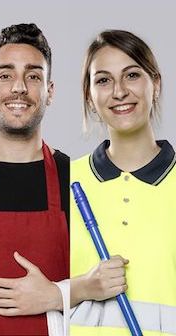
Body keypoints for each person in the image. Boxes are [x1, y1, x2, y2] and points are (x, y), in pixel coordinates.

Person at [0, 23, 70, 335]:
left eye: (34, 76)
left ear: (49, 92)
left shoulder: (76, 178)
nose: (19, 87)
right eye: (5, 75)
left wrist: (58, 294)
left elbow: (103, 282)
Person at [68, 30, 175, 335]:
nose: (119, 91)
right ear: (89, 96)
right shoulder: (62, 181)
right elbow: (39, 293)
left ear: (155, 83)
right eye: (103, 80)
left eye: (131, 75)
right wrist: (83, 287)